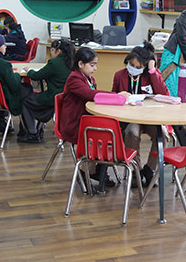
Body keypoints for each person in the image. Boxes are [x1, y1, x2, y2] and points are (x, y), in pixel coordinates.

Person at [111, 42, 167, 188]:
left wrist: (153, 71)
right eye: (131, 65)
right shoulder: (119, 75)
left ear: (145, 66)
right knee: (132, 133)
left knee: (163, 135)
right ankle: (136, 171)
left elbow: (163, 93)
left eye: (138, 67)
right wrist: (120, 97)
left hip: (150, 117)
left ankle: (150, 169)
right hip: (130, 118)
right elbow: (113, 96)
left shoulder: (151, 75)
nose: (134, 69)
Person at [59, 47, 117, 187]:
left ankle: (97, 169)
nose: (95, 68)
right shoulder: (74, 79)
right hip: (74, 124)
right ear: (80, 64)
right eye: (92, 65)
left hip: (85, 120)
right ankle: (89, 171)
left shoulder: (88, 78)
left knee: (112, 131)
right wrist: (116, 95)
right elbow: (91, 94)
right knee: (107, 134)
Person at [17, 38, 74, 143]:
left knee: (26, 100)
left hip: (52, 98)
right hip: (66, 99)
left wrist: (29, 71)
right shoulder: (72, 63)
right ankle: (39, 127)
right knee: (36, 98)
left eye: (52, 50)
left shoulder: (54, 63)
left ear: (59, 51)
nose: (51, 53)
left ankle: (32, 133)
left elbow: (36, 76)